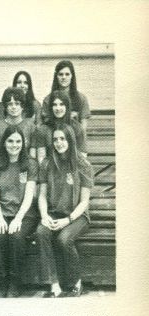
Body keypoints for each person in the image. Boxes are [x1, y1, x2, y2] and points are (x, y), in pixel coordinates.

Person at [35, 124, 92, 298]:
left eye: (63, 138)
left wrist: (68, 219)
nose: (59, 143)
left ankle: (76, 283)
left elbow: (84, 201)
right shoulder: (47, 163)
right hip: (53, 213)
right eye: (55, 139)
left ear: (70, 140)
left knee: (63, 239)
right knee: (40, 232)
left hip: (78, 216)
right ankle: (54, 284)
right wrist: (44, 216)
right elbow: (42, 195)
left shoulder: (83, 164)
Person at [0, 126, 39, 298]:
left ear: (23, 143)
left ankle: (15, 282)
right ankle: (2, 280)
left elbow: (29, 195)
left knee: (16, 237)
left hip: (24, 214)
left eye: (18, 141)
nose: (14, 145)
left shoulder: (30, 164)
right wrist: (0, 218)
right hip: (0, 212)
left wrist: (18, 219)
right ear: (4, 143)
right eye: (10, 141)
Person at [41, 60, 91, 141]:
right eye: (60, 74)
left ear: (72, 76)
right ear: (56, 76)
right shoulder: (48, 99)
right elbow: (46, 126)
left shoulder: (81, 99)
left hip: (75, 141)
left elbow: (83, 128)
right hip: (55, 141)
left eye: (67, 74)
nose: (64, 77)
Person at [35, 90, 87, 163]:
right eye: (54, 105)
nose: (58, 108)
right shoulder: (43, 129)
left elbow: (82, 155)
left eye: (61, 104)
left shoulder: (77, 128)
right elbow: (41, 158)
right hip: (51, 170)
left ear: (67, 106)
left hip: (72, 168)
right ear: (51, 107)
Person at [0, 88, 37, 163]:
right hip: (3, 168)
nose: (14, 107)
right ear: (5, 106)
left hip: (24, 168)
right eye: (10, 104)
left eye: (17, 104)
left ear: (22, 106)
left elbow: (32, 157)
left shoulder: (31, 127)